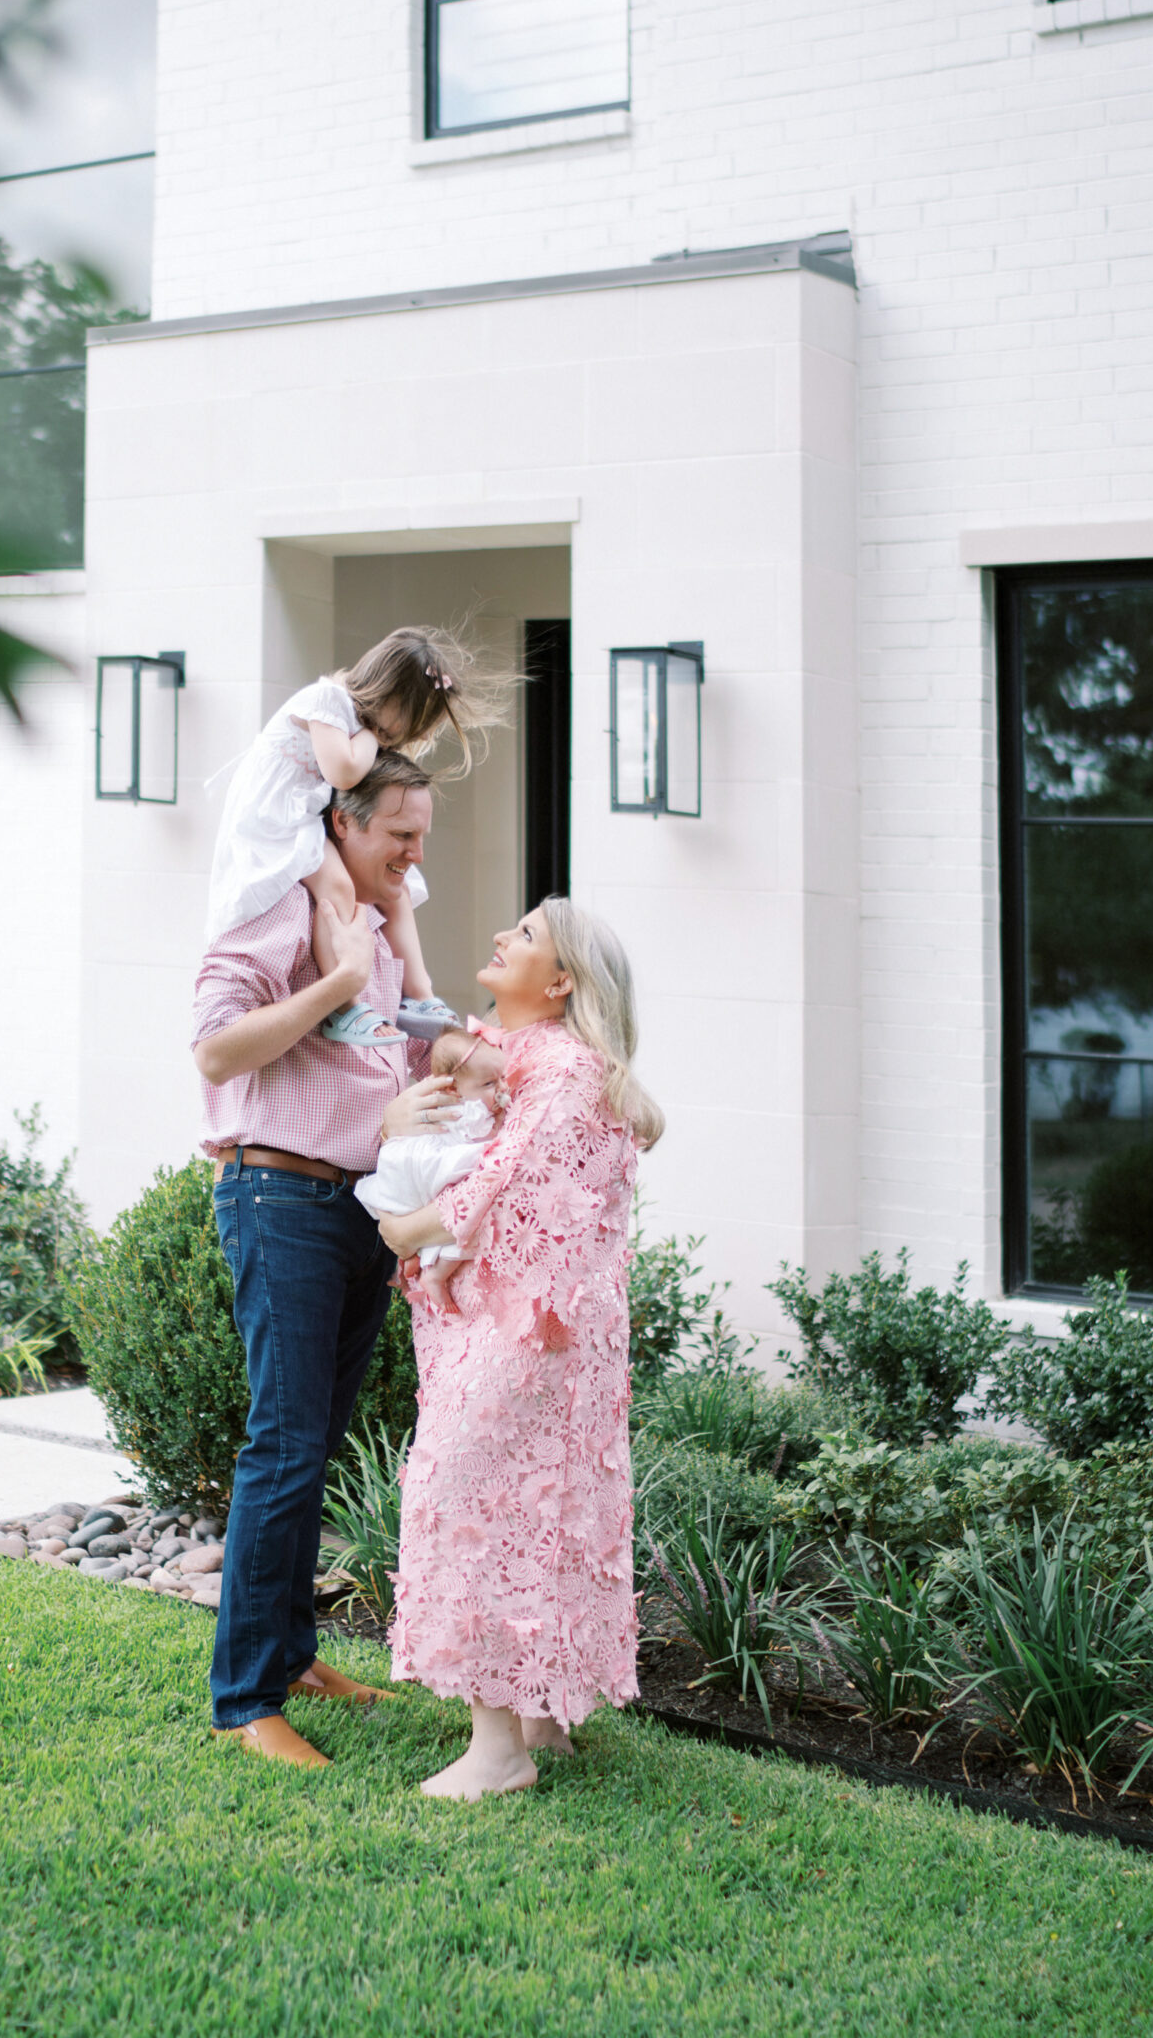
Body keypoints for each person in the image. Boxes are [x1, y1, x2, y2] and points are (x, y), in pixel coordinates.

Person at [191, 751, 460, 1771]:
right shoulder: (273, 914)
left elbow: (393, 1055)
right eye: (399, 835)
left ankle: (296, 1656)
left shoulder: (380, 927)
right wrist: (341, 980)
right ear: (339, 823)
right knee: (285, 1446)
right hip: (282, 1198)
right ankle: (247, 1696)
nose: (413, 854)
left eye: (422, 835)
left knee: (317, 1442)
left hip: (356, 1208)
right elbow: (216, 1050)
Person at [376, 896, 664, 1800]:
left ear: (562, 980)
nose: (502, 936)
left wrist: (401, 1228)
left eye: (526, 935)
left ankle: (499, 1751)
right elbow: (474, 1095)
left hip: (525, 1329)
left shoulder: (566, 1072)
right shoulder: (542, 1063)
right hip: (541, 1328)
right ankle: (544, 1712)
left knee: (470, 1498)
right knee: (542, 1507)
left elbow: (504, 1182)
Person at [203, 626, 509, 1044]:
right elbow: (343, 771)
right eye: (401, 728)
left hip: (307, 813)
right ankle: (344, 1007)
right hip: (276, 819)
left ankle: (420, 996)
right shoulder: (327, 699)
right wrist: (371, 735)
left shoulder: (359, 724)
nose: (399, 741)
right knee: (336, 886)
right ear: (388, 694)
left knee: (397, 893)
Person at [354, 1025, 508, 1309]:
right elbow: (483, 1136)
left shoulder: (463, 1097)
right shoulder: (466, 1108)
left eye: (502, 1079)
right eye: (489, 1084)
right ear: (453, 1088)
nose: (500, 1089)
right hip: (429, 1169)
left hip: (417, 1169)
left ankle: (410, 1267)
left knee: (433, 1226)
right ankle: (435, 1275)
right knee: (466, 1227)